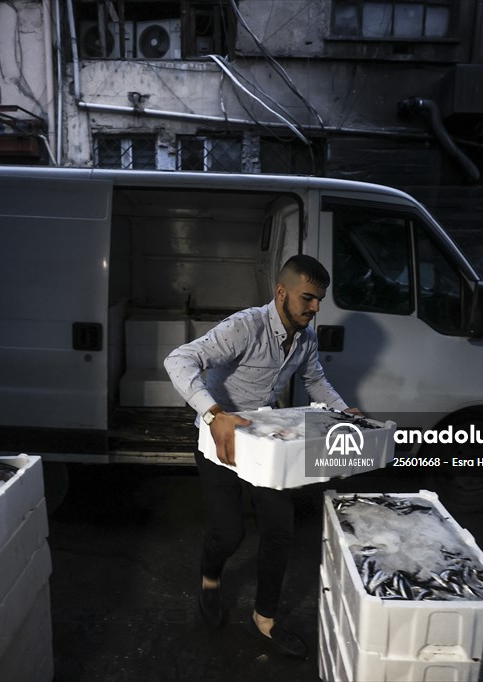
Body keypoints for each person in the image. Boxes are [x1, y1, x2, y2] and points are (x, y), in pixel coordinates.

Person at [163, 254, 360, 659]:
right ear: (282, 293)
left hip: (266, 441)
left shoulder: (305, 338)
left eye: (320, 299)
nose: (315, 308)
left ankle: (265, 618)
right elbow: (179, 359)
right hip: (220, 441)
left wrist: (343, 411)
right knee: (230, 532)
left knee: (280, 529)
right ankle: (211, 580)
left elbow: (314, 378)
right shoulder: (244, 327)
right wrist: (214, 413)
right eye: (308, 298)